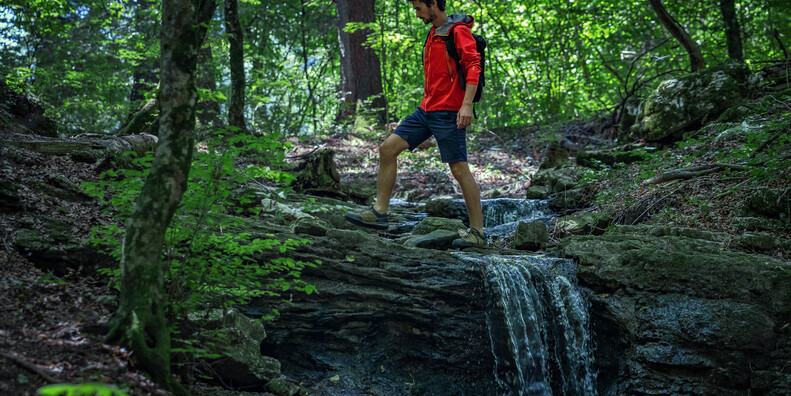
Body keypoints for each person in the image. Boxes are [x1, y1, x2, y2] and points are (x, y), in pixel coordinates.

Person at [345, 0, 486, 249]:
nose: (417, 14)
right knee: (387, 149)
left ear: (433, 4)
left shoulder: (458, 31)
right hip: (426, 110)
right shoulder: (434, 32)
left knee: (459, 169)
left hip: (449, 112)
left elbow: (473, 65)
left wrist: (466, 105)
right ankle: (379, 212)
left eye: (419, 8)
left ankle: (478, 233)